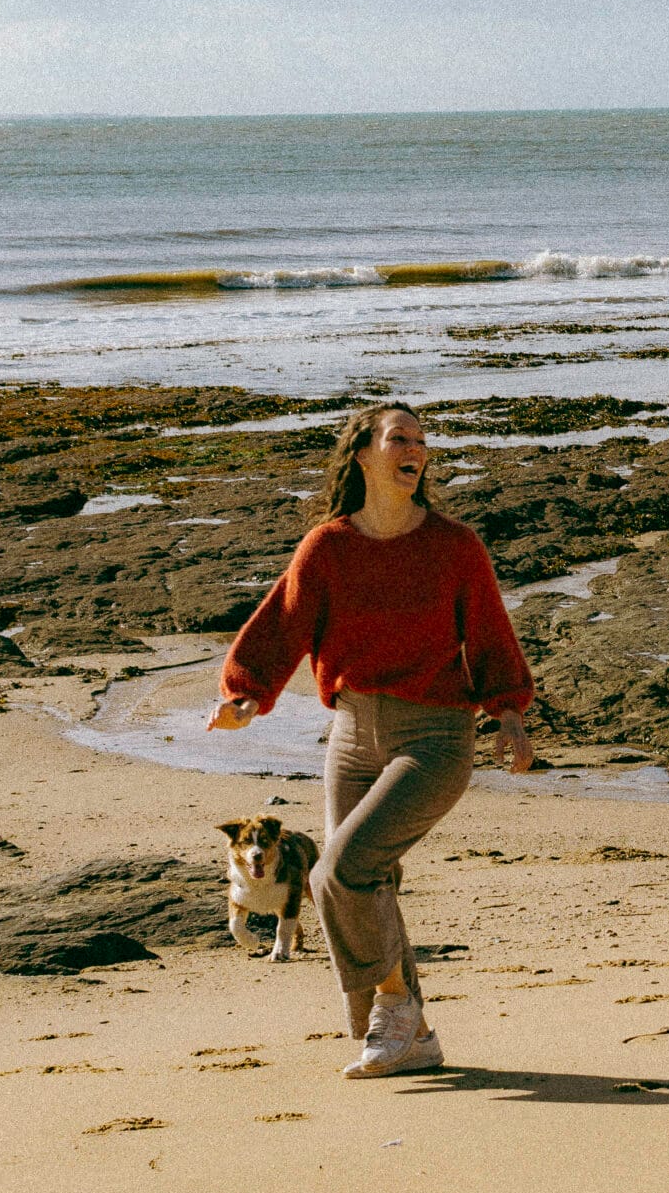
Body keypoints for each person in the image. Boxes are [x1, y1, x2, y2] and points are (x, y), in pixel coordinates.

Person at [209, 402, 535, 1079]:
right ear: (363, 453)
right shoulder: (327, 547)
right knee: (365, 881)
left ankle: (393, 1007)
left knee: (338, 871)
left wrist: (508, 713)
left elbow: (490, 636)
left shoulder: (454, 546)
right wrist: (247, 693)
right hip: (352, 735)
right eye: (399, 438)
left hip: (434, 737)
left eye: (421, 440)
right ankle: (415, 1035)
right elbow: (285, 624)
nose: (415, 449)